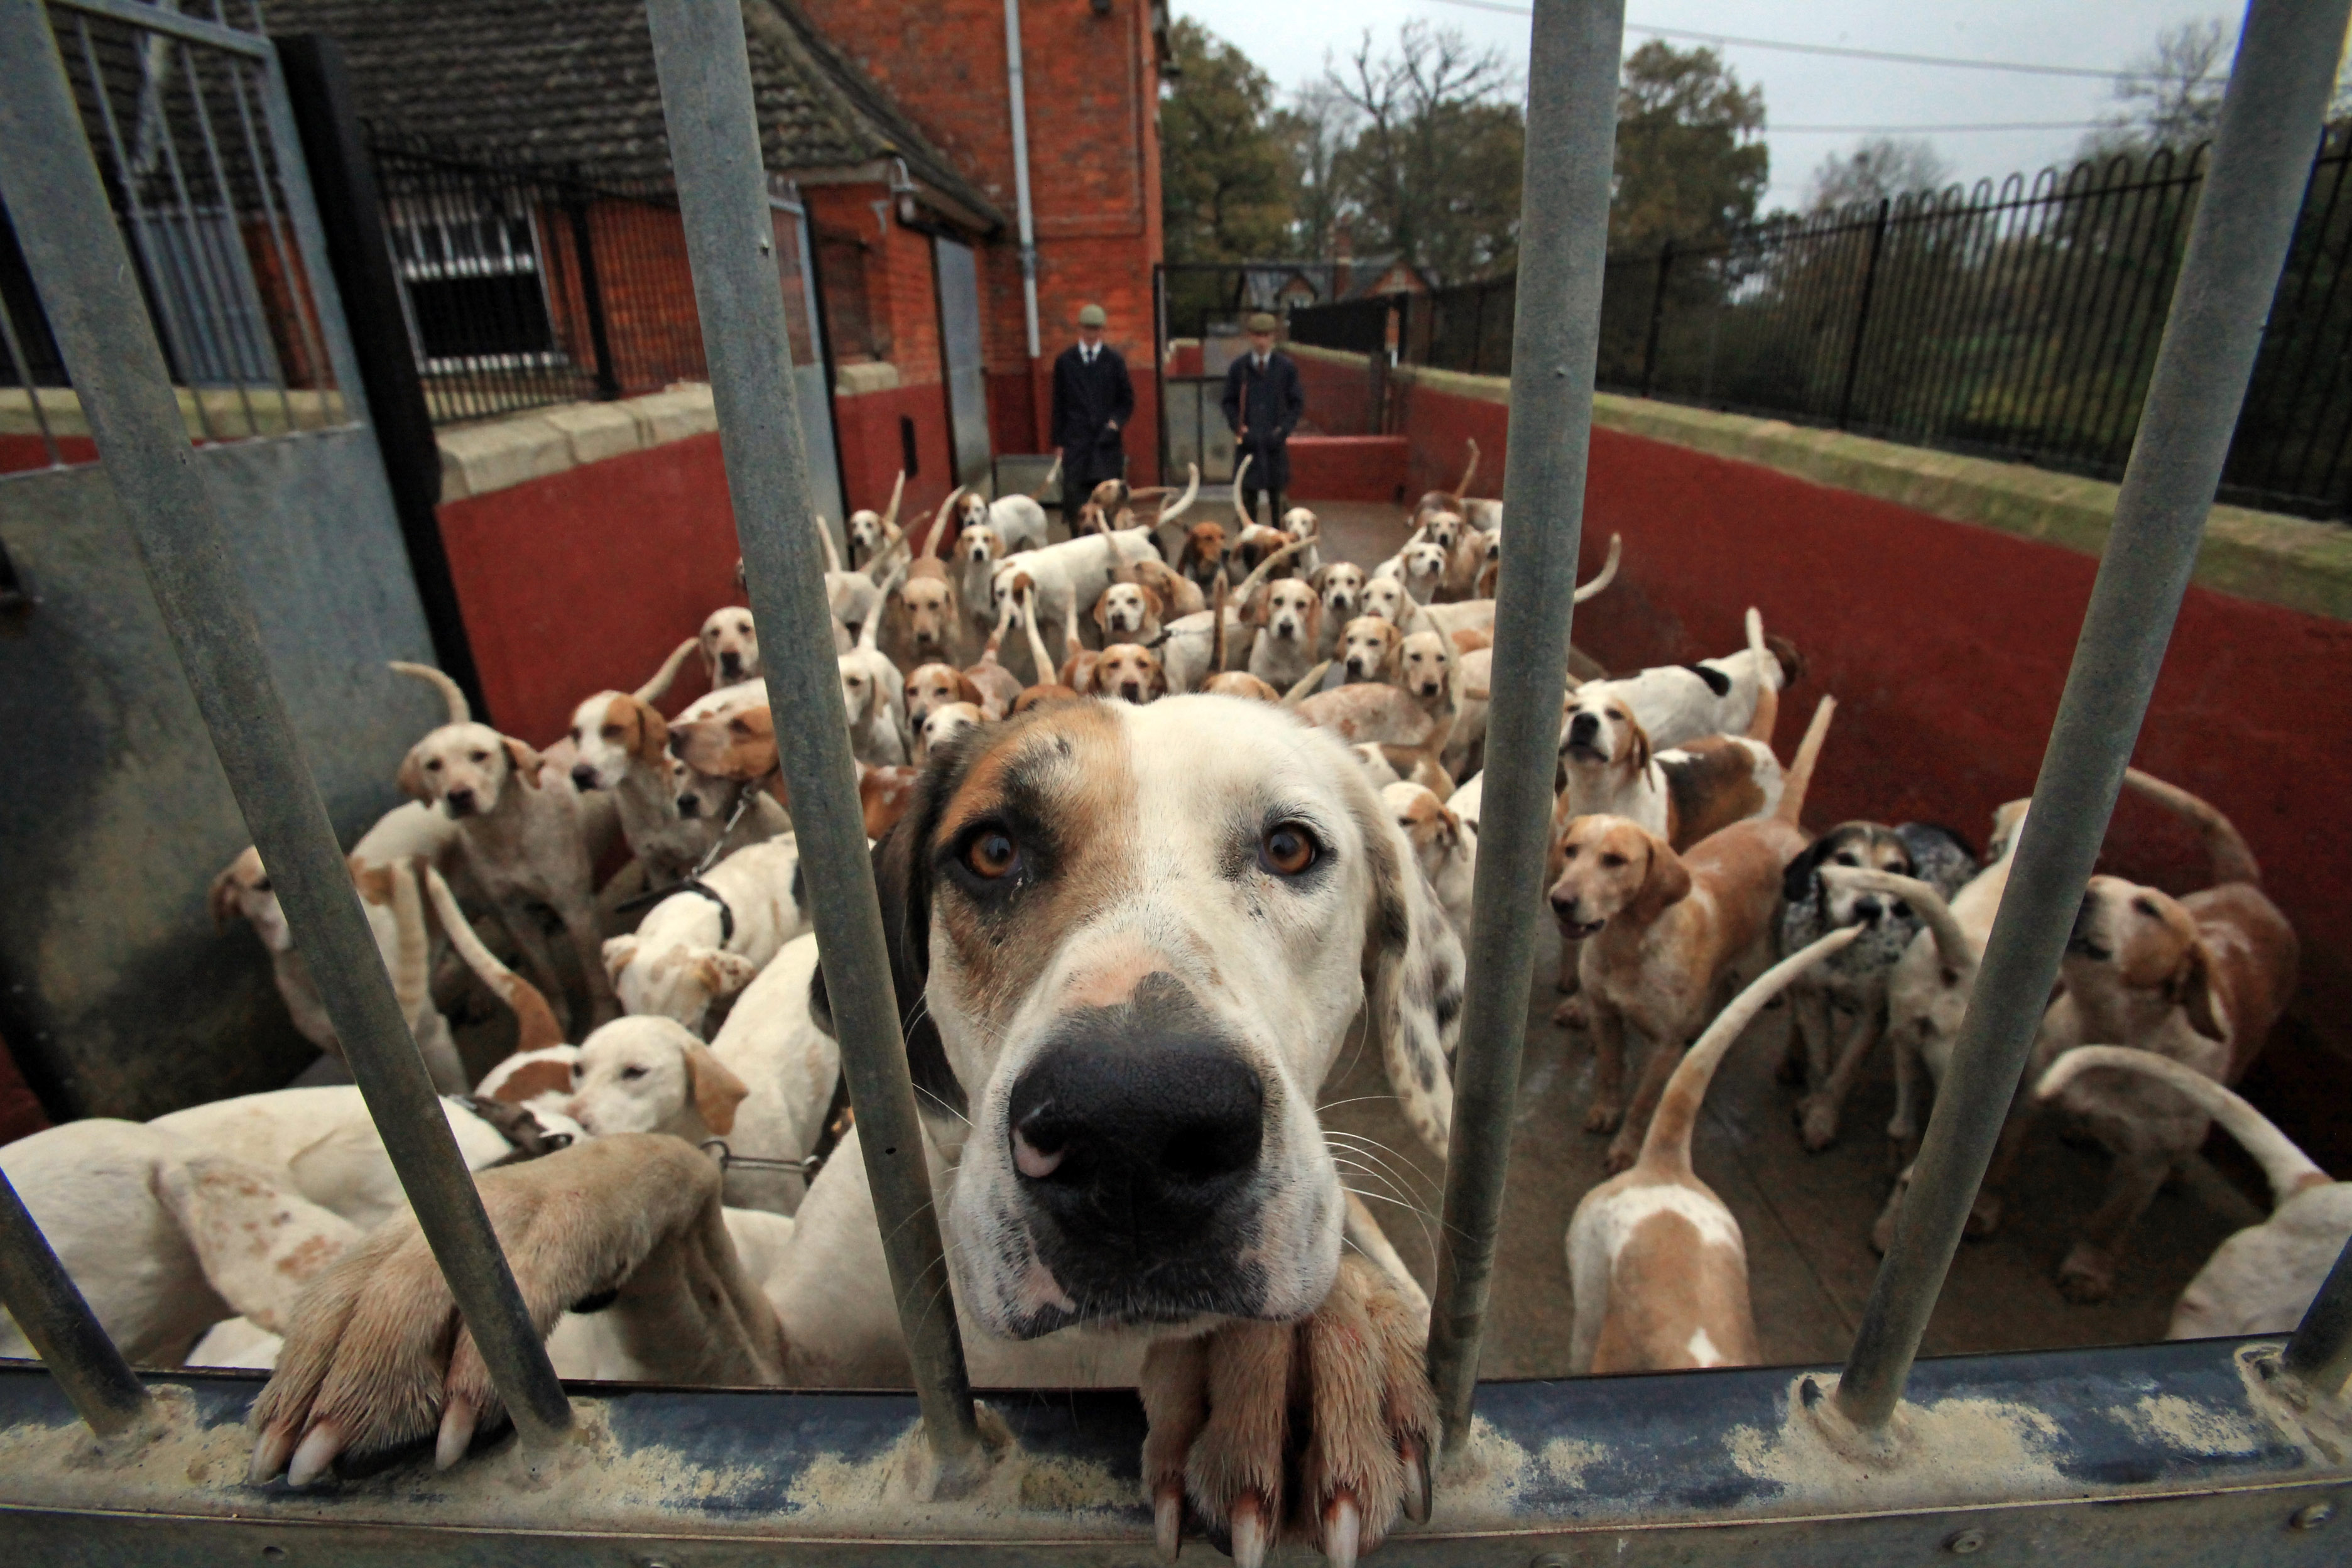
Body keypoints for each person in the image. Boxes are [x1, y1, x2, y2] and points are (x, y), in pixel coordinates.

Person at [1050, 303, 1135, 531]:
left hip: (1105, 444)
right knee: (1074, 499)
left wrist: (1115, 423)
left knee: (1108, 503)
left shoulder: (1114, 361)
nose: (1091, 334)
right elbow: (1058, 403)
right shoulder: (1065, 362)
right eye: (1088, 328)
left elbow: (1127, 400)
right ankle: (1078, 548)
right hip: (1076, 442)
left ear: (1102, 331)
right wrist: (1058, 441)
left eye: (1096, 329)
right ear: (1080, 329)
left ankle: (1108, 548)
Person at [1221, 310, 1305, 527]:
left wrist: (1282, 430)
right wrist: (1239, 428)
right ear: (1250, 336)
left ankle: (1281, 554)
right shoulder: (1239, 368)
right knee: (1247, 511)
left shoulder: (1285, 368)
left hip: (1274, 445)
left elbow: (1296, 403)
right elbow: (1228, 402)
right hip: (1248, 445)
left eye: (1266, 335)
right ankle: (1251, 556)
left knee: (1279, 507)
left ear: (1274, 337)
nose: (1262, 341)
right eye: (1258, 335)